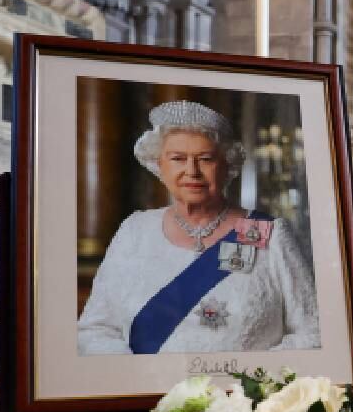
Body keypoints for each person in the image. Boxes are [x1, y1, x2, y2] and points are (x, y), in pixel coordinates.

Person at [78, 100, 320, 355]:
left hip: (240, 393)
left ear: (228, 165)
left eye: (206, 159)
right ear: (159, 165)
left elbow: (313, 332)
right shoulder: (134, 232)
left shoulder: (268, 234)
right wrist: (140, 378)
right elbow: (95, 329)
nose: (191, 171)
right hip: (149, 392)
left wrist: (251, 382)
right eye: (178, 159)